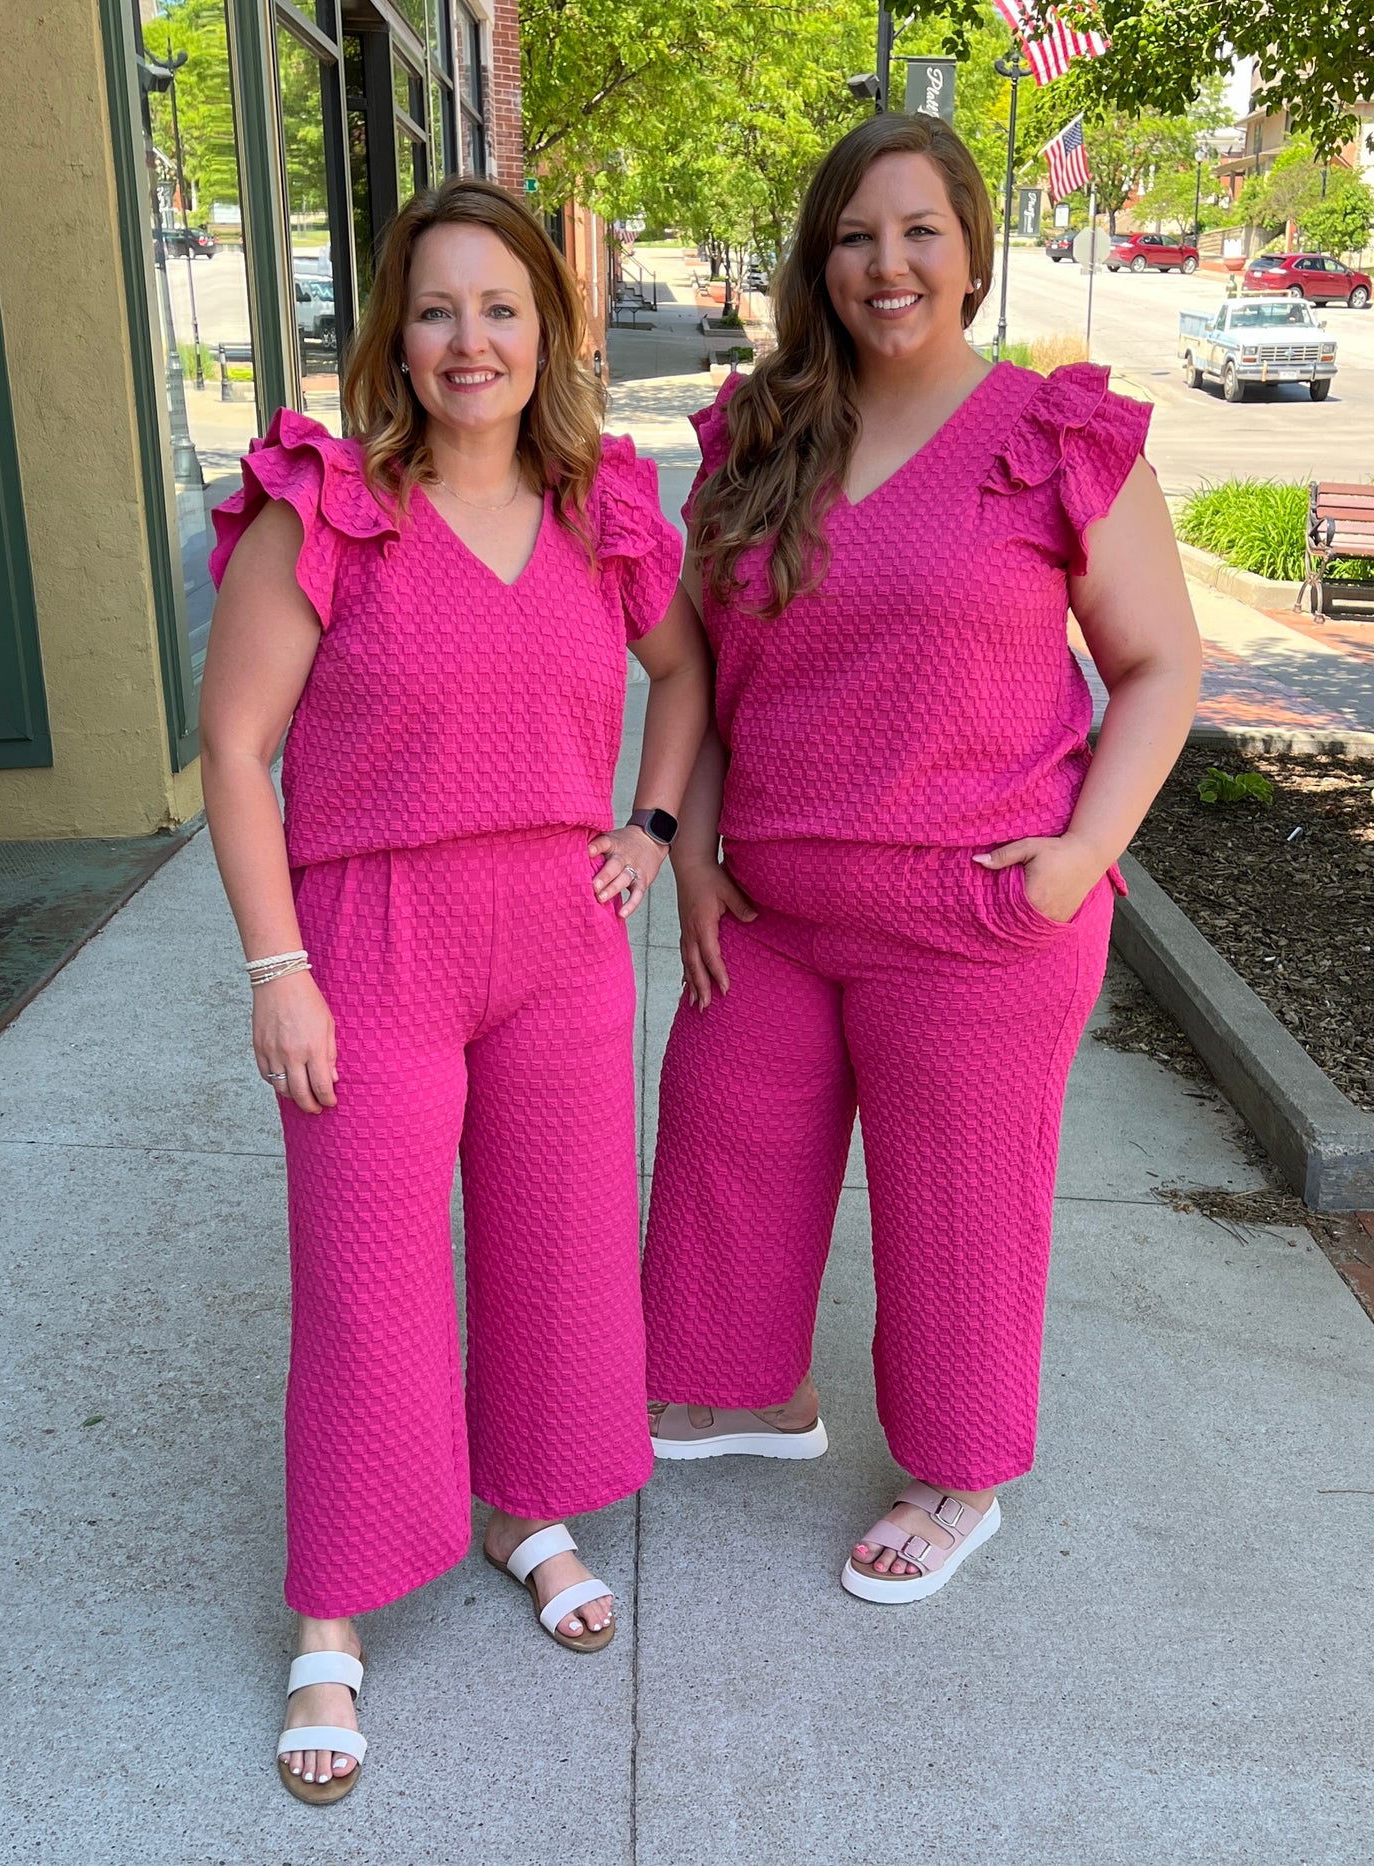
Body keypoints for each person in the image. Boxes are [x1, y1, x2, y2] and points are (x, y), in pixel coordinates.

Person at [641, 114, 1201, 1603]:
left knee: (956, 1202)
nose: (886, 265)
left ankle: (960, 1474)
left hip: (972, 914)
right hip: (764, 904)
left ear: (970, 248)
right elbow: (692, 664)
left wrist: (1082, 856)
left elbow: (1159, 665)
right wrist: (690, 853)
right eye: (854, 236)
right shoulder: (755, 436)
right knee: (722, 1141)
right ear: (818, 261)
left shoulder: (1050, 435)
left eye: (918, 232)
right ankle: (755, 1390)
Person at [201, 177, 708, 1802]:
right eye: (437, 309)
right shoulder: (331, 505)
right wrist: (277, 966)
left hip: (559, 944)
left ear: (547, 330)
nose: (469, 340)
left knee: (560, 1254)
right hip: (374, 941)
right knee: (370, 1278)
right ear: (395, 336)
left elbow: (686, 671)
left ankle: (521, 1503)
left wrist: (651, 821)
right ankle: (334, 1612)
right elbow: (232, 748)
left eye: (501, 307)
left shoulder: (600, 507)